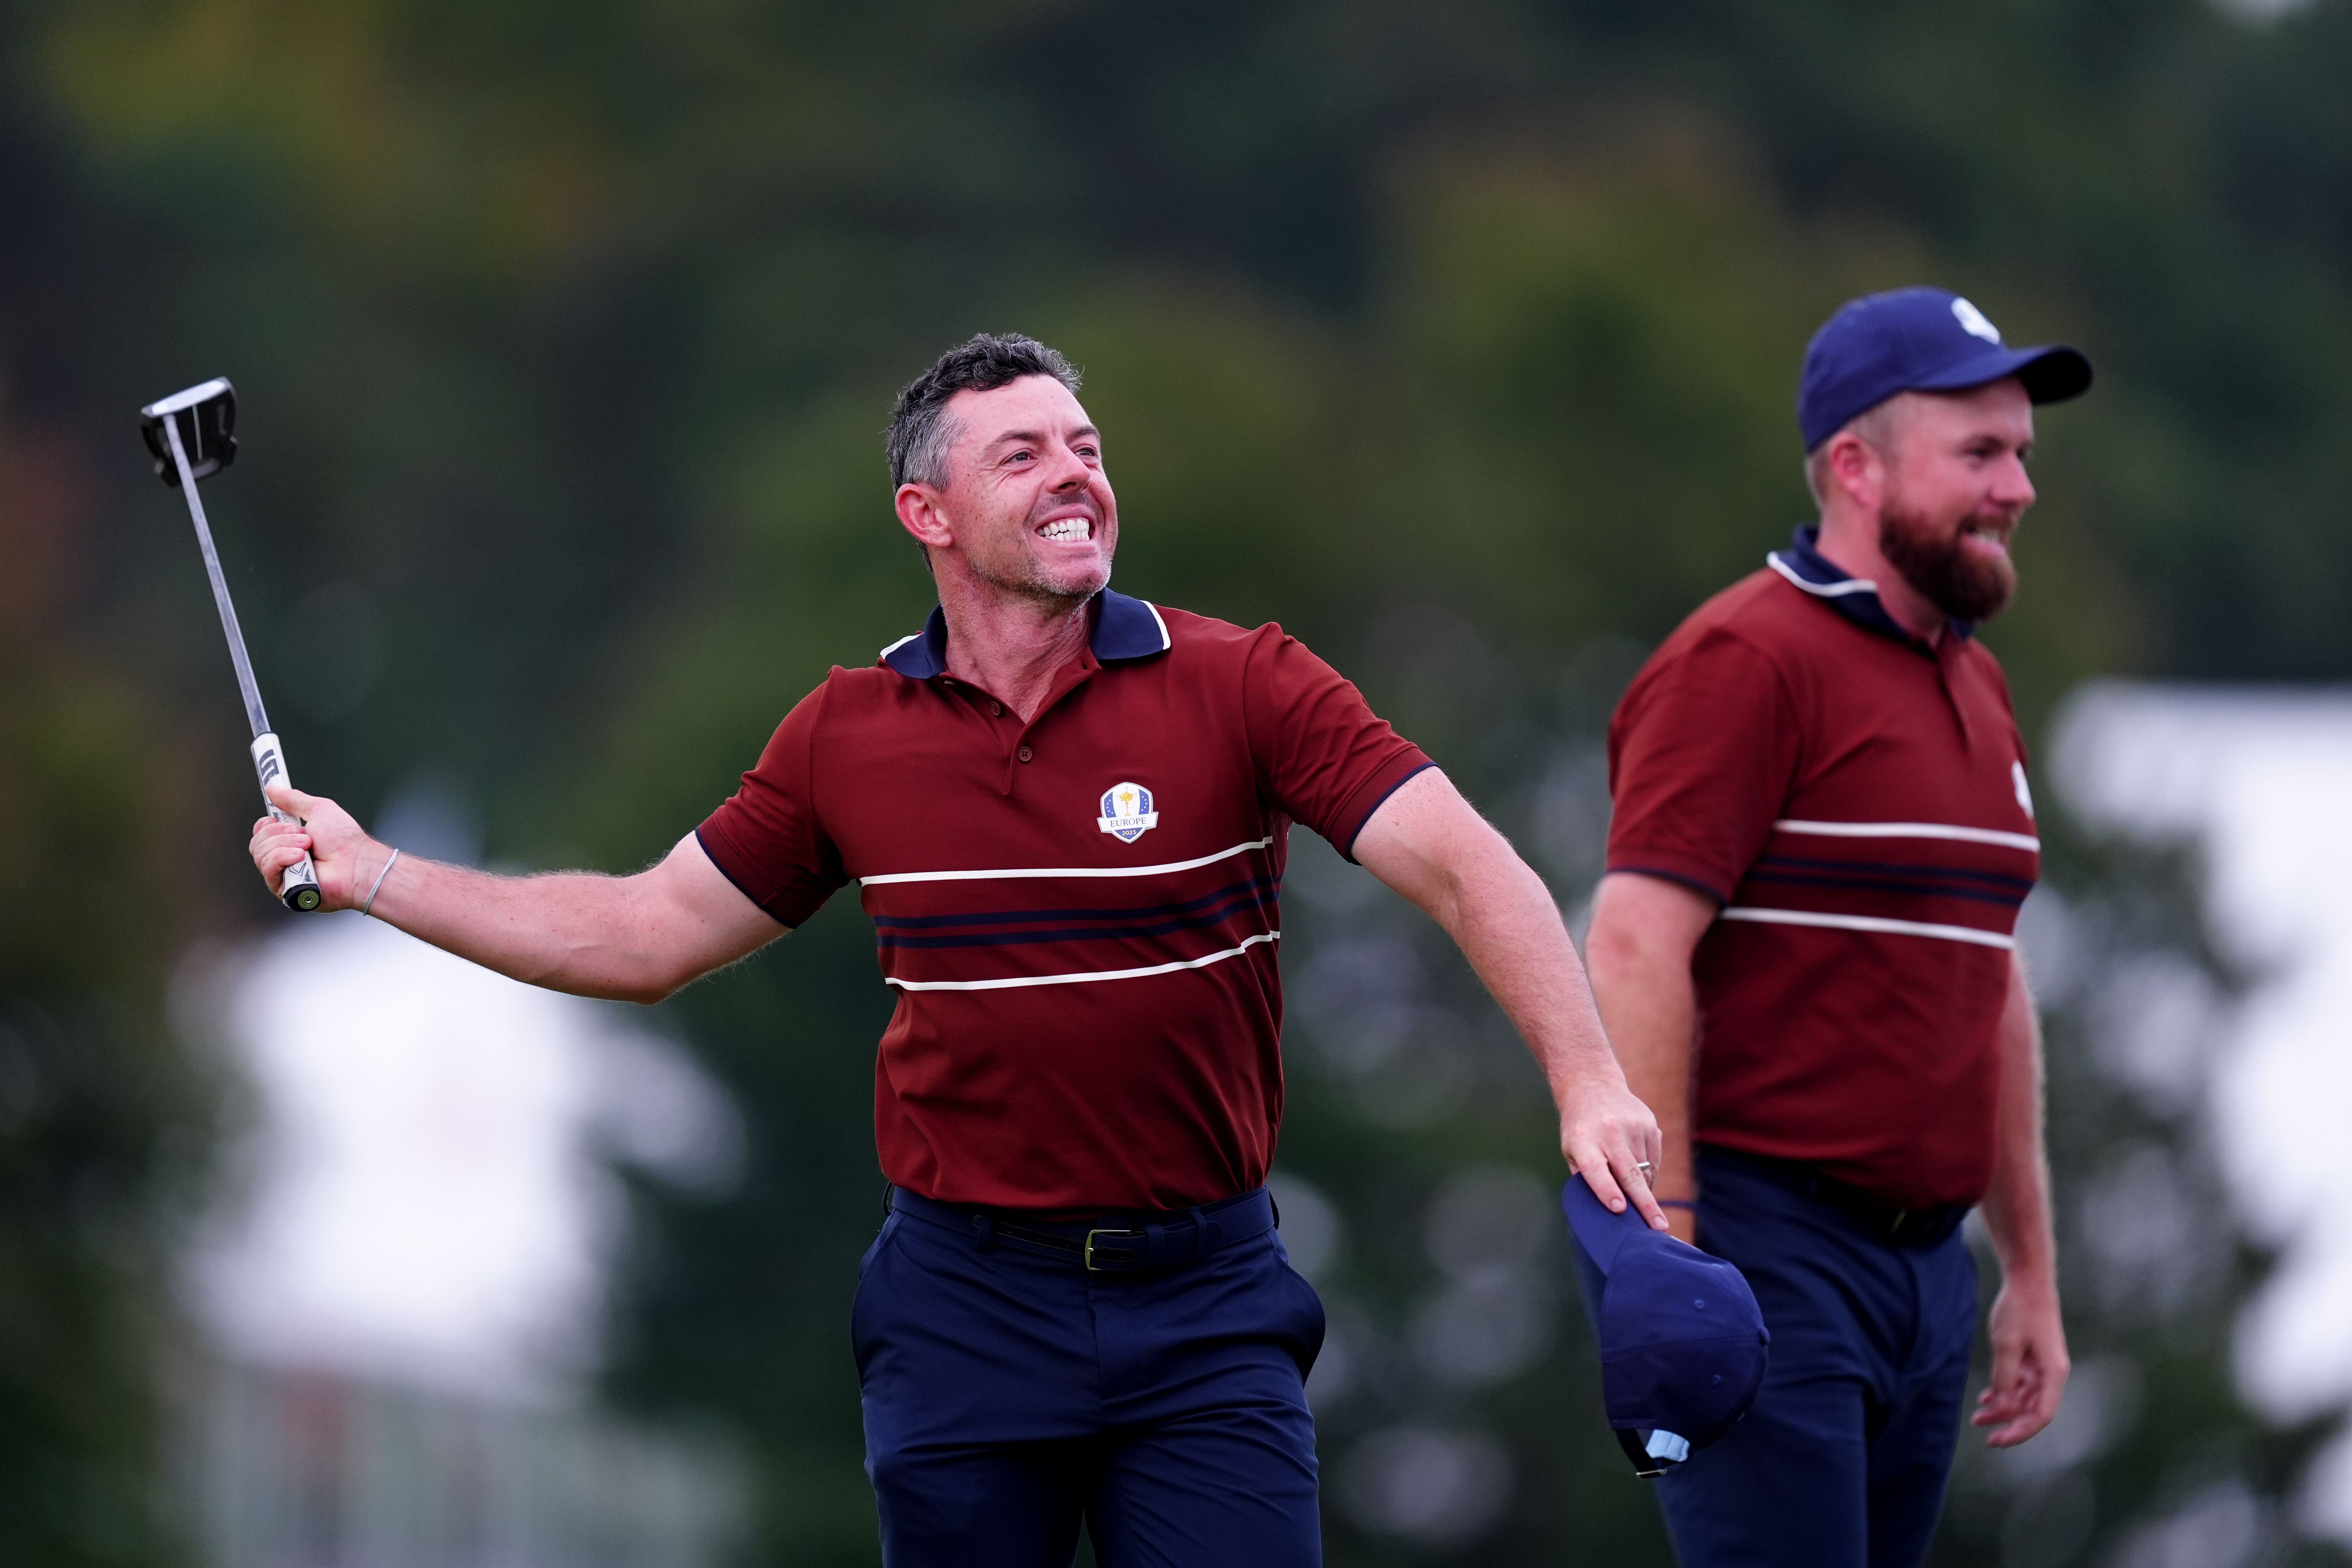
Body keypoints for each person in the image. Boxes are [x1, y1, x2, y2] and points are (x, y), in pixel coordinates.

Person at [249, 332, 1665, 1568]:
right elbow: (645, 931)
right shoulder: (848, 735)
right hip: (968, 1308)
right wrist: (379, 875)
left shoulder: (1245, 684)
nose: (1075, 475)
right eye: (1023, 456)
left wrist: (1590, 1078)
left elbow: (1470, 866)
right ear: (927, 513)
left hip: (1208, 1303)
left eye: (1087, 448)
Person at [1580, 288, 2091, 1567]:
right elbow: (1634, 944)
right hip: (1766, 1249)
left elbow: (1987, 978)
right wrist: (1667, 1249)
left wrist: (2028, 1272)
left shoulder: (1975, 679)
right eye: (1982, 454)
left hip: (1927, 1275)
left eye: (2022, 453)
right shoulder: (1747, 660)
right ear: (1858, 469)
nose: (2019, 488)